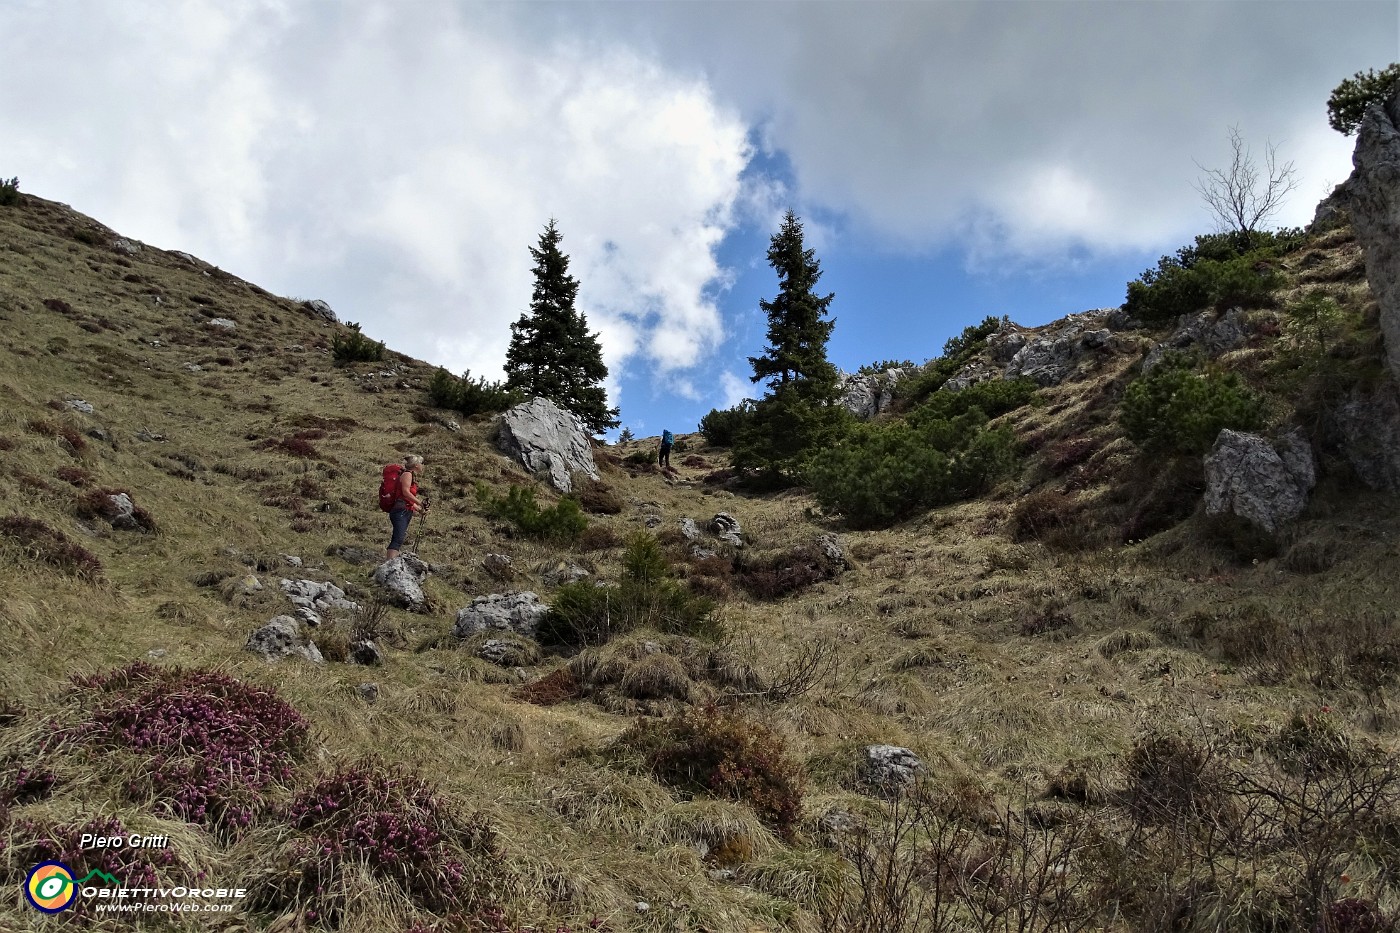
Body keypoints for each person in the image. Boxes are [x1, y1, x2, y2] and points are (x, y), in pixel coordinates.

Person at [386, 454, 426, 560]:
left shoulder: (408, 475)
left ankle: (391, 564)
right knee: (397, 539)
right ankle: (390, 565)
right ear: (416, 465)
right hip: (401, 511)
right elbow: (405, 493)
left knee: (399, 538)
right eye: (421, 463)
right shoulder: (408, 474)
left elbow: (405, 498)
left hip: (404, 510)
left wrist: (418, 509)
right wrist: (420, 503)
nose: (422, 466)